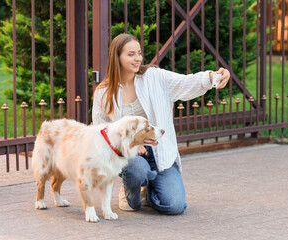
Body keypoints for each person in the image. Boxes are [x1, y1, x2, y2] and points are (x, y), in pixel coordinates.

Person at [92, 33, 230, 215]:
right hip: (130, 155)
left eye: (139, 53)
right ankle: (130, 191)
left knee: (174, 205)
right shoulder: (104, 92)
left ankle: (148, 191)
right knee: (137, 169)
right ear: (117, 56)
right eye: (131, 54)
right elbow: (101, 132)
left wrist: (213, 77)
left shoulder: (154, 77)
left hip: (160, 152)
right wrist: (129, 145)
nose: (138, 59)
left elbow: (184, 82)